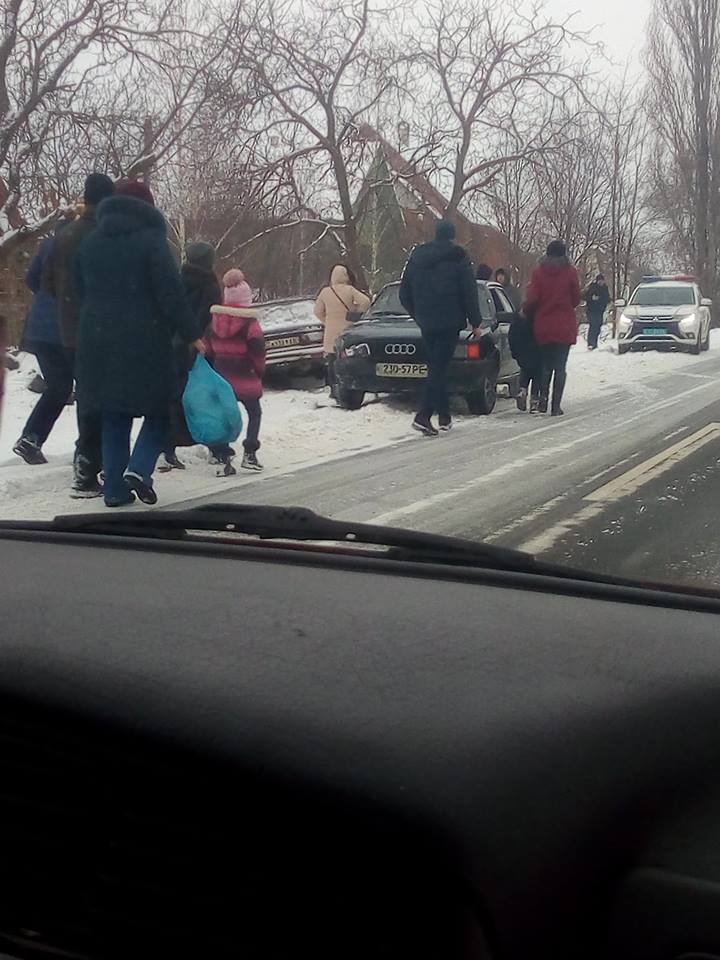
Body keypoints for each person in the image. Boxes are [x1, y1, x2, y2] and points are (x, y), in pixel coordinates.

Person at [74, 179, 204, 508]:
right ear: (148, 207)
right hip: (144, 341)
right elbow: (170, 294)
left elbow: (78, 292)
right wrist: (192, 333)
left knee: (115, 416)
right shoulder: (153, 242)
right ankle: (140, 470)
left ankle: (115, 489)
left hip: (98, 341)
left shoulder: (90, 243)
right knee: (160, 411)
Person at [43, 172, 115, 497]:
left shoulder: (62, 236)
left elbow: (45, 286)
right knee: (98, 400)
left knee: (88, 396)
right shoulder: (103, 235)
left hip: (67, 329)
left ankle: (87, 465)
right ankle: (87, 470)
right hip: (99, 330)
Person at [399, 220, 483, 436]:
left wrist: (417, 314)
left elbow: (404, 292)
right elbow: (469, 291)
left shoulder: (417, 257)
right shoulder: (459, 257)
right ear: (452, 235)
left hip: (426, 321)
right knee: (438, 367)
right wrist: (475, 322)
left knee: (438, 366)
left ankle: (444, 415)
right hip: (450, 321)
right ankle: (424, 415)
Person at [159, 240, 222, 472]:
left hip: (172, 345)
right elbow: (210, 317)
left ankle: (166, 448)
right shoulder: (211, 286)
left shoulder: (177, 279)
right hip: (199, 345)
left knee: (173, 399)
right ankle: (217, 447)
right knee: (206, 395)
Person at [13, 227, 74, 464]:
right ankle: (89, 452)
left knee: (59, 387)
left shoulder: (48, 245)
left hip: (39, 329)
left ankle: (31, 438)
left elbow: (30, 279)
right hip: (66, 330)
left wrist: (46, 299)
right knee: (87, 390)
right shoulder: (86, 245)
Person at [205, 269, 266, 475]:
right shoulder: (250, 324)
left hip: (222, 376)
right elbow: (258, 352)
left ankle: (223, 457)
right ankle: (250, 453)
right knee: (254, 413)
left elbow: (208, 350)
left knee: (223, 417)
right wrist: (259, 372)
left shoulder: (214, 320)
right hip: (245, 375)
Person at [522, 240, 581, 417]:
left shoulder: (539, 273)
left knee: (546, 365)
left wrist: (526, 311)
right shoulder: (571, 272)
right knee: (560, 367)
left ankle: (542, 402)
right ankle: (556, 406)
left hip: (544, 326)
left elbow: (532, 298)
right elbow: (576, 298)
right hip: (564, 326)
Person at [314, 264, 370, 398]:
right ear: (345, 276)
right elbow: (366, 302)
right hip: (347, 330)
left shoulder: (325, 292)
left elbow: (317, 311)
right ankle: (346, 386)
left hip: (330, 333)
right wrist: (355, 312)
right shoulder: (350, 290)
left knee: (332, 361)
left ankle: (334, 390)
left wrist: (326, 321)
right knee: (345, 359)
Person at [508, 311, 542, 414]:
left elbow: (512, 335)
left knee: (525, 370)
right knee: (537, 374)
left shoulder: (518, 317)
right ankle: (534, 400)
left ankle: (522, 390)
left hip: (522, 350)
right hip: (537, 349)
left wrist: (514, 351)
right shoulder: (539, 314)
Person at [583, 274, 611, 350]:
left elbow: (607, 298)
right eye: (599, 281)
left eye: (602, 281)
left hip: (600, 311)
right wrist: (592, 298)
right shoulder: (592, 287)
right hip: (591, 310)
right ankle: (591, 343)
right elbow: (585, 296)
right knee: (593, 326)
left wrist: (603, 299)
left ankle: (594, 343)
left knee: (598, 326)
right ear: (597, 281)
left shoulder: (605, 288)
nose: (601, 282)